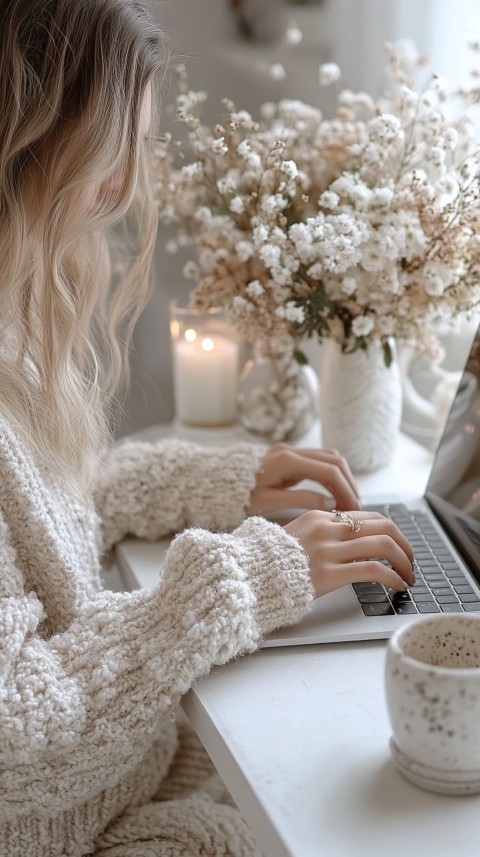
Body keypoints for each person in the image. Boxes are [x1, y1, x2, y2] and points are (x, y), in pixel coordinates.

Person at [0, 2, 415, 855]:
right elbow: (17, 733)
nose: (125, 185)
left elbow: (43, 517)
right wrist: (251, 576)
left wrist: (224, 481)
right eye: (111, 150)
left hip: (121, 773)